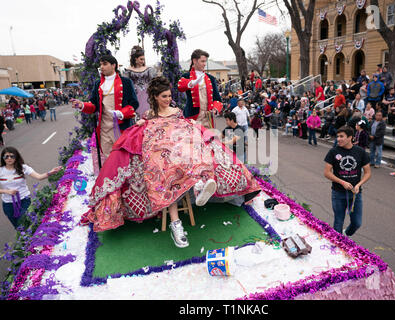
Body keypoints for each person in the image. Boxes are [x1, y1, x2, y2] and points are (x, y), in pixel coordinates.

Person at [81, 77, 261, 248]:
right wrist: (142, 124)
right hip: (160, 154)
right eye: (164, 96)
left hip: (179, 148)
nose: (168, 99)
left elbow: (184, 129)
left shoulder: (177, 112)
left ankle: (199, 186)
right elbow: (144, 133)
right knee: (166, 173)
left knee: (195, 150)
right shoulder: (149, 115)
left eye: (169, 96)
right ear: (155, 97)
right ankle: (176, 224)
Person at [71, 54, 139, 160]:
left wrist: (121, 113)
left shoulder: (126, 82)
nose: (102, 67)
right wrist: (82, 105)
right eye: (101, 65)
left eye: (105, 64)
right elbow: (94, 106)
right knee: (108, 157)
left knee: (123, 156)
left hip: (121, 126)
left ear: (113, 65)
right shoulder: (98, 84)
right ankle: (110, 176)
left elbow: (134, 103)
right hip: (104, 127)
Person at [324, 126, 371, 236]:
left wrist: (359, 184)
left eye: (341, 136)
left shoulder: (360, 152)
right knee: (338, 222)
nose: (338, 139)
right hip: (338, 193)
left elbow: (368, 173)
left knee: (357, 223)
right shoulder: (333, 152)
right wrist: (342, 182)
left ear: (350, 138)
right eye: (337, 136)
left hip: (355, 194)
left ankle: (346, 235)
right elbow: (327, 172)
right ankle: (338, 245)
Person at [0, 147, 62, 229]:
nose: (9, 158)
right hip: (8, 204)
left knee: (23, 222)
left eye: (12, 156)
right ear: (3, 158)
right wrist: (6, 191)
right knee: (18, 227)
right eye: (6, 156)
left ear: (16, 157)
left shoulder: (23, 167)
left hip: (24, 200)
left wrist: (50, 172)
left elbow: (39, 177)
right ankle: (26, 240)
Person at [178, 49, 223, 129]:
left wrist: (215, 109)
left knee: (208, 140)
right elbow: (180, 86)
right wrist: (191, 83)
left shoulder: (211, 78)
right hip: (193, 117)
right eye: (202, 61)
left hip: (207, 118)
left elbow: (217, 99)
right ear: (194, 60)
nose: (204, 64)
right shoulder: (186, 76)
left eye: (205, 61)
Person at [123, 45, 157, 119]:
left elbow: (155, 82)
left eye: (144, 59)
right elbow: (126, 85)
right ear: (135, 59)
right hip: (135, 95)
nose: (143, 61)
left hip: (147, 95)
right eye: (141, 59)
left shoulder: (149, 69)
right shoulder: (128, 71)